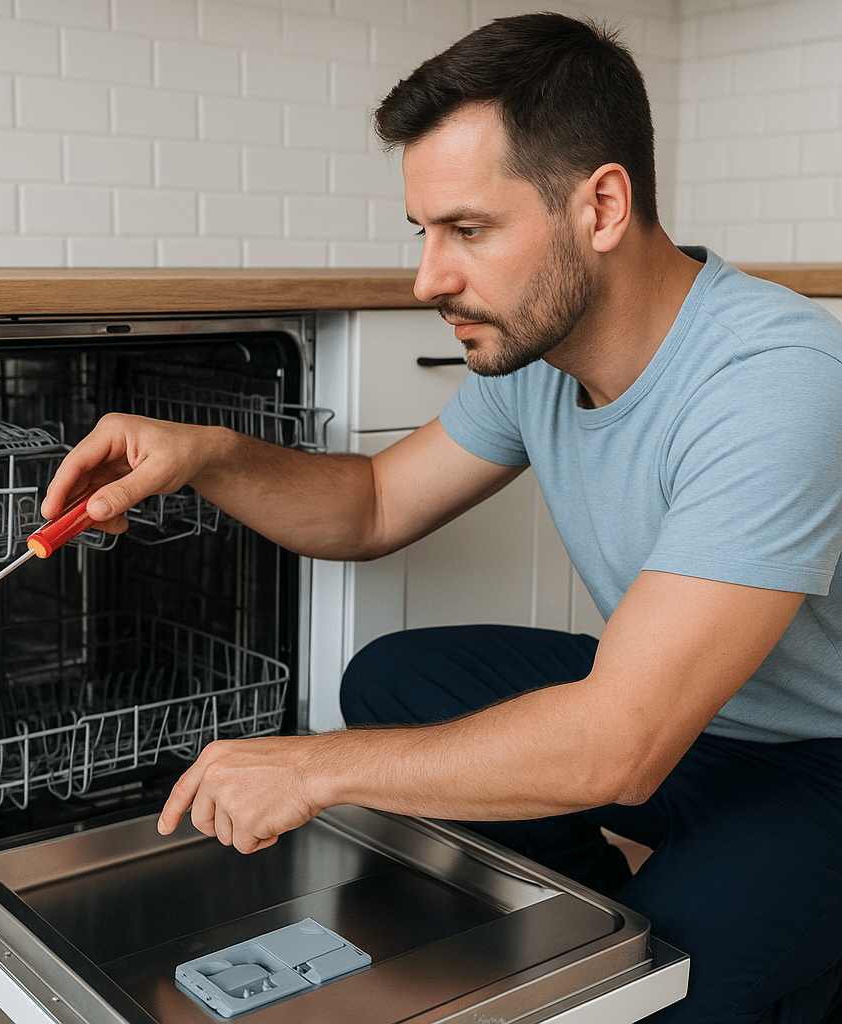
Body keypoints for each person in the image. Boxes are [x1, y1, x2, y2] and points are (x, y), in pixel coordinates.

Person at [41, 13, 842, 1023]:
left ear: (600, 206)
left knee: (659, 991)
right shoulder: (541, 353)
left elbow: (620, 743)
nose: (429, 279)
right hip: (688, 717)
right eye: (424, 232)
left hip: (817, 755)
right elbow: (374, 505)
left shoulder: (774, 378)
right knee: (394, 680)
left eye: (467, 230)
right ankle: (614, 904)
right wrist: (206, 455)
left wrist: (314, 768)